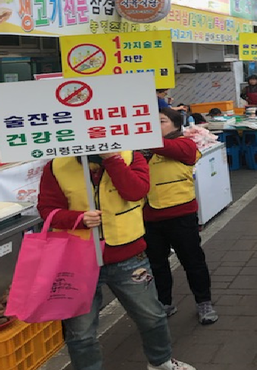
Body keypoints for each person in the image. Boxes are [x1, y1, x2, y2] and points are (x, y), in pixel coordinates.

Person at [37, 152, 195, 370]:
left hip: (128, 255)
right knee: (80, 331)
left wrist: (112, 159)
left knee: (152, 316)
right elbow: (47, 209)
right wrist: (78, 219)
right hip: (78, 260)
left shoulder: (131, 157)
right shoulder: (56, 166)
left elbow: (136, 191)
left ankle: (161, 361)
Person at [143, 108, 218, 325]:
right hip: (149, 216)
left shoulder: (185, 144)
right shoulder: (141, 149)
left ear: (177, 125)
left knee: (193, 261)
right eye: (151, 122)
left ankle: (204, 301)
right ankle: (164, 302)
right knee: (157, 264)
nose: (156, 126)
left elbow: (166, 147)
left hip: (180, 215)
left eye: (162, 121)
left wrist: (140, 135)